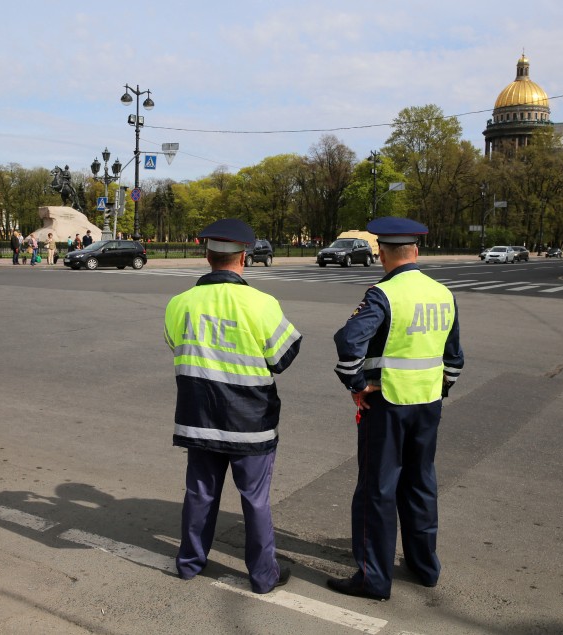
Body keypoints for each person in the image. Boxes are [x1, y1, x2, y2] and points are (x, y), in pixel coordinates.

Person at [329, 216, 464, 601]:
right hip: (428, 404)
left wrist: (357, 384)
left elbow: (349, 342)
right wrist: (441, 387)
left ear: (383, 254)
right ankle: (424, 567)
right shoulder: (443, 293)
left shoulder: (382, 294)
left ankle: (373, 579)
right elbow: (454, 358)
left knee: (378, 489)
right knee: (421, 483)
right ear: (416, 251)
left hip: (387, 404)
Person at [164, 218, 302, 595]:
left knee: (200, 492)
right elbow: (284, 357)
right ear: (243, 258)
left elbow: (175, 345)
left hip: (198, 418)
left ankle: (189, 563)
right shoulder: (262, 304)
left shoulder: (180, 304)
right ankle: (263, 576)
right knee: (255, 499)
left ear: (208, 257)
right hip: (250, 422)